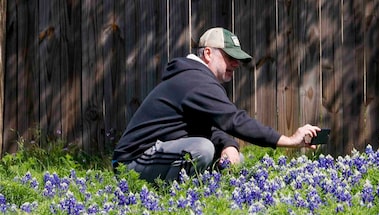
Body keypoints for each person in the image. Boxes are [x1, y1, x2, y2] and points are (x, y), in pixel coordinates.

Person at [113, 27, 321, 182]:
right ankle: (171, 203)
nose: (236, 64)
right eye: (229, 57)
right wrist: (289, 140)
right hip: (131, 162)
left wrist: (229, 145)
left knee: (230, 155)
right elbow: (234, 120)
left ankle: (199, 200)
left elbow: (209, 127)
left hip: (159, 154)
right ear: (208, 53)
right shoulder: (195, 81)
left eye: (237, 59)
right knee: (201, 149)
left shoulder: (196, 79)